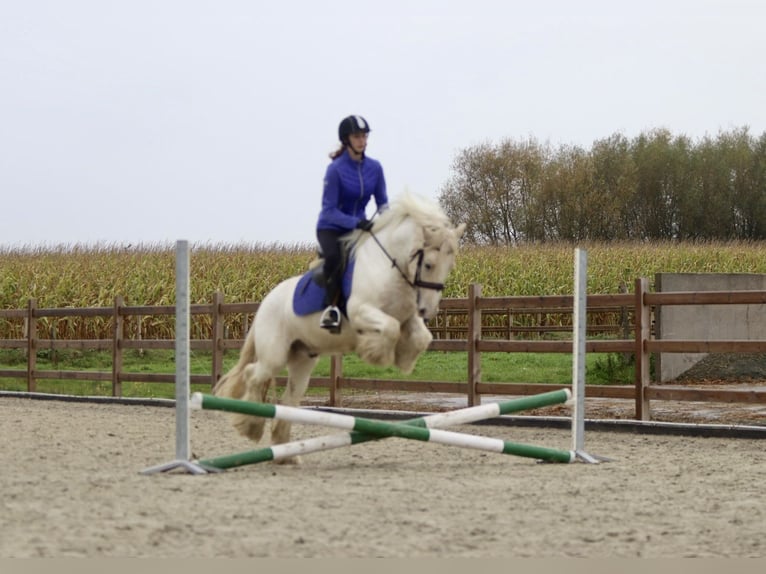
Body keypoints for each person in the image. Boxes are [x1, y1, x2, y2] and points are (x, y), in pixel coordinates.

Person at [316, 115, 388, 331]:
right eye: (357, 136)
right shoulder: (335, 170)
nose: (362, 141)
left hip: (361, 228)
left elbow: (383, 204)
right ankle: (332, 310)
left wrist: (389, 225)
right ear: (346, 139)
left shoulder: (375, 168)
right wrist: (356, 222)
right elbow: (329, 211)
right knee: (335, 258)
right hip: (331, 228)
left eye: (364, 136)